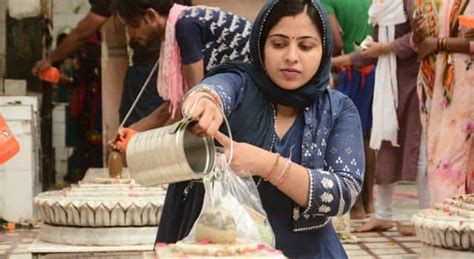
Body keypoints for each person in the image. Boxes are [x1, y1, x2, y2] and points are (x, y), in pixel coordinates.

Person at [155, 0, 364, 257]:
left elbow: (343, 193)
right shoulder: (241, 85)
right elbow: (214, 90)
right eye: (278, 43)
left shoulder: (338, 109)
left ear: (324, 51)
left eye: (306, 46)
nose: (291, 56)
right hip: (231, 252)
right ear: (260, 45)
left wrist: (267, 164)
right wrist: (204, 102)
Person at [333, 0, 431, 234]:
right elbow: (372, 52)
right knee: (386, 147)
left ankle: (426, 217)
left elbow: (420, 40)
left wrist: (383, 48)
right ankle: (383, 215)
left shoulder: (410, 3)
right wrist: (338, 62)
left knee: (417, 148)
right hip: (387, 86)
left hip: (412, 83)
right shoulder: (379, 5)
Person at [31, 1, 190, 127]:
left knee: (140, 129)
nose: (129, 33)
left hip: (152, 63)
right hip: (169, 59)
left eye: (131, 25)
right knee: (148, 123)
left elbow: (82, 32)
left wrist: (50, 59)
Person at [111, 0, 252, 132]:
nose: (130, 33)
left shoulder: (185, 26)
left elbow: (195, 101)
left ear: (151, 15)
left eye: (132, 25)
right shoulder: (182, 23)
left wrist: (145, 140)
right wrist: (131, 133)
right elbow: (171, 107)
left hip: (251, 95)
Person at [412, 0, 474, 204]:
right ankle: (447, 225)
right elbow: (418, 44)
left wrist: (439, 44)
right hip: (436, 88)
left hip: (466, 88)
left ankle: (456, 221)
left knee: (455, 157)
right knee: (438, 156)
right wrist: (417, 33)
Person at [322, 0, 376, 220]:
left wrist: (330, 60)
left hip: (352, 73)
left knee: (350, 136)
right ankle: (369, 203)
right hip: (377, 70)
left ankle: (355, 207)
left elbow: (335, 40)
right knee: (369, 137)